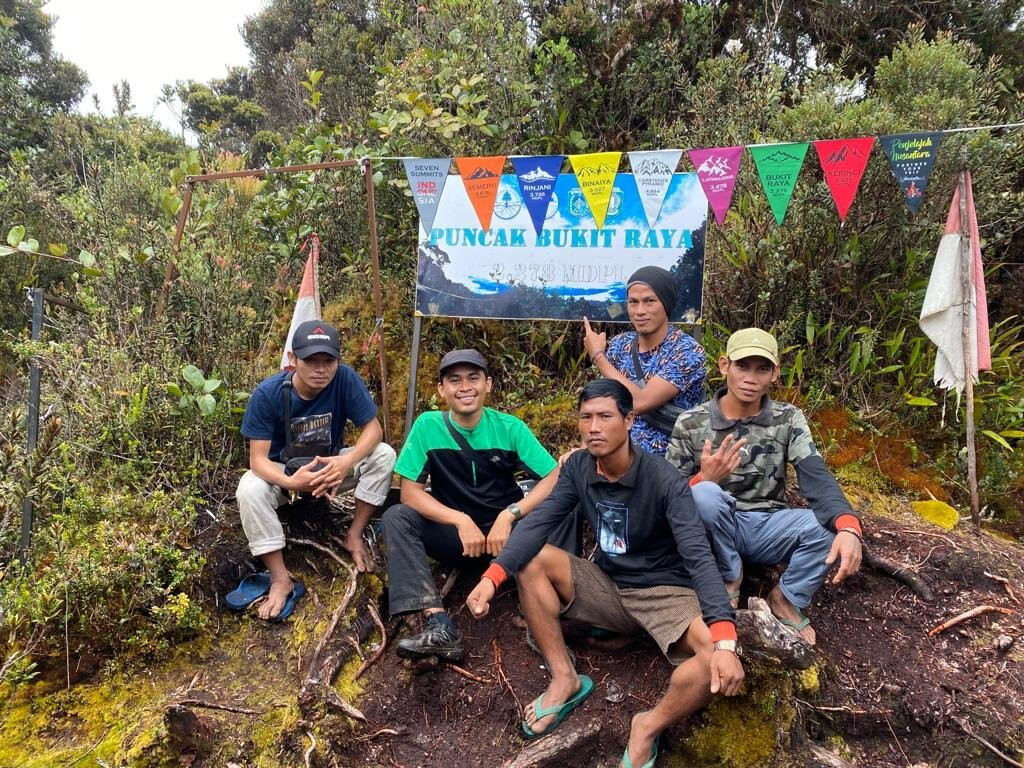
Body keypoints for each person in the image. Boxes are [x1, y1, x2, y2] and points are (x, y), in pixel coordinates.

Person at [466, 379, 743, 767]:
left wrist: (726, 639)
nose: (593, 427)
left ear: (629, 420)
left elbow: (698, 557)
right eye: (586, 417)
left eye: (605, 417)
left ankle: (647, 726)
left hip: (666, 594)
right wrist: (492, 577)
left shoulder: (663, 479)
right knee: (533, 560)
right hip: (608, 585)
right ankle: (564, 677)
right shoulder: (579, 468)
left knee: (715, 657)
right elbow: (540, 523)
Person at [666, 328, 863, 645]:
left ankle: (785, 598)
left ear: (775, 373)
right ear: (724, 366)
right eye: (742, 366)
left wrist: (849, 526)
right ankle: (729, 577)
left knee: (827, 527)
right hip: (714, 526)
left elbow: (814, 472)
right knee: (703, 494)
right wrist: (703, 478)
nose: (750, 378)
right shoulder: (691, 422)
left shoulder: (788, 418)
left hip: (768, 525)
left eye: (762, 369)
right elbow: (668, 492)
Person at [382, 349, 561, 661]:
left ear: (487, 384)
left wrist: (511, 514)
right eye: (455, 380)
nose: (465, 387)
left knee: (560, 509)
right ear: (441, 390)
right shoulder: (427, 427)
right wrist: (460, 520)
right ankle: (438, 623)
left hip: (508, 539)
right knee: (396, 517)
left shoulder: (509, 428)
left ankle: (543, 608)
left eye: (473, 378)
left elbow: (553, 476)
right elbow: (409, 493)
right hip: (458, 540)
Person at [237, 320, 396, 619]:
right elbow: (257, 460)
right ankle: (280, 578)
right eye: (311, 360)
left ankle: (354, 534)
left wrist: (345, 462)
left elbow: (374, 430)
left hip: (331, 468)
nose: (320, 369)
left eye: (328, 361)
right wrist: (292, 482)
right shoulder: (268, 394)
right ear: (293, 359)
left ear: (338, 360)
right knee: (249, 488)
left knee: (384, 455)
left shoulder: (344, 379)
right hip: (285, 474)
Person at [582, 265, 706, 456]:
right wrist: (583, 454)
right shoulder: (620, 345)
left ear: (666, 304)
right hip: (616, 458)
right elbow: (600, 404)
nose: (640, 311)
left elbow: (640, 403)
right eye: (633, 302)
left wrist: (598, 356)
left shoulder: (687, 350)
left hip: (669, 462)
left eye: (649, 301)